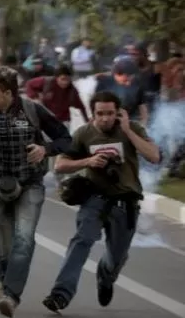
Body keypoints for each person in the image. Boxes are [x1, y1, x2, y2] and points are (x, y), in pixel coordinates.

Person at [0, 66, 72, 317]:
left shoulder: (32, 110)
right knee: (4, 249)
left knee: (24, 240)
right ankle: (6, 281)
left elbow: (66, 138)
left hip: (30, 184)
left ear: (8, 93)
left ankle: (11, 295)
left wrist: (46, 150)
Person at [41, 91, 160, 313]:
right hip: (94, 198)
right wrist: (88, 161)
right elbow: (60, 164)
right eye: (100, 113)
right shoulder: (84, 133)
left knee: (116, 257)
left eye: (110, 114)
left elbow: (154, 156)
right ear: (93, 113)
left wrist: (127, 131)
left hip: (126, 201)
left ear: (118, 113)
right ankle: (60, 294)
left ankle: (106, 277)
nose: (105, 118)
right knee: (81, 241)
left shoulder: (131, 129)